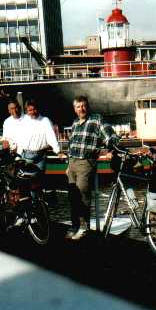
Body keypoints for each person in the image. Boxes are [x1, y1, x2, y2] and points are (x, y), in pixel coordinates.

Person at [64, 95, 119, 241]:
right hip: (72, 162)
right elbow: (71, 145)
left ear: (87, 106)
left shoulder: (96, 119)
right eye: (78, 107)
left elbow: (110, 135)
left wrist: (111, 148)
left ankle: (84, 227)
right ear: (75, 109)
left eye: (83, 106)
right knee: (72, 195)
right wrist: (68, 165)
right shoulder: (75, 123)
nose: (81, 109)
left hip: (86, 162)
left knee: (82, 192)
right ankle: (75, 225)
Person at [18, 99, 61, 172]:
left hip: (40, 157)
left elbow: (51, 138)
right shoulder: (23, 121)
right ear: (26, 111)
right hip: (25, 156)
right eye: (30, 110)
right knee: (26, 180)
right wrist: (18, 154)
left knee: (39, 180)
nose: (32, 112)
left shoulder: (45, 120)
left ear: (38, 109)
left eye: (34, 109)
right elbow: (20, 139)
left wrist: (58, 151)